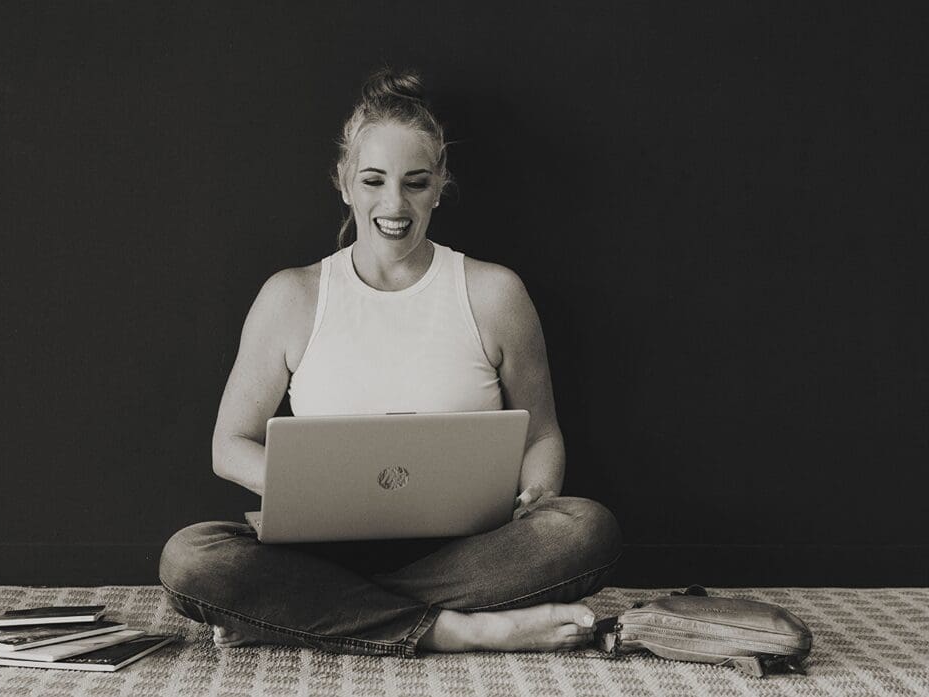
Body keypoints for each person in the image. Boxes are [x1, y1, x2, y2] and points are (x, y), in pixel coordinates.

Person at [159, 69, 622, 657]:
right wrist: (311, 487)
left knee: (585, 528)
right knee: (189, 558)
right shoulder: (292, 295)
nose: (394, 204)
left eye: (415, 182)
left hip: (466, 552)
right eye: (373, 180)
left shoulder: (495, 293)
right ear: (344, 182)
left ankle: (305, 615)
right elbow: (229, 446)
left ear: (439, 185)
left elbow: (543, 433)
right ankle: (460, 630)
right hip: (321, 551)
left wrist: (536, 491)